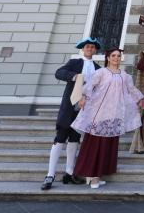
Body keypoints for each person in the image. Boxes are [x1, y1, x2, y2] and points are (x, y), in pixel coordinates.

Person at [72, 47, 144, 189]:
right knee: (95, 145)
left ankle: (99, 174)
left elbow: (132, 90)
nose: (116, 58)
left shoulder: (125, 76)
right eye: (113, 55)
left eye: (118, 56)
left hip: (114, 116)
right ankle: (92, 176)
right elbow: (89, 86)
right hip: (100, 114)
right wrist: (83, 98)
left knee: (107, 146)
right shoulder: (101, 73)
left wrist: (141, 99)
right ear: (108, 58)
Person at [41, 37, 101, 191]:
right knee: (60, 138)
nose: (89, 49)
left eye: (92, 47)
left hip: (85, 109)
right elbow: (59, 72)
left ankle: (69, 172)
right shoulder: (74, 62)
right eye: (87, 46)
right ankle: (50, 174)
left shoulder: (98, 67)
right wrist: (74, 76)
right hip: (70, 107)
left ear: (95, 50)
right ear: (83, 49)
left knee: (75, 138)